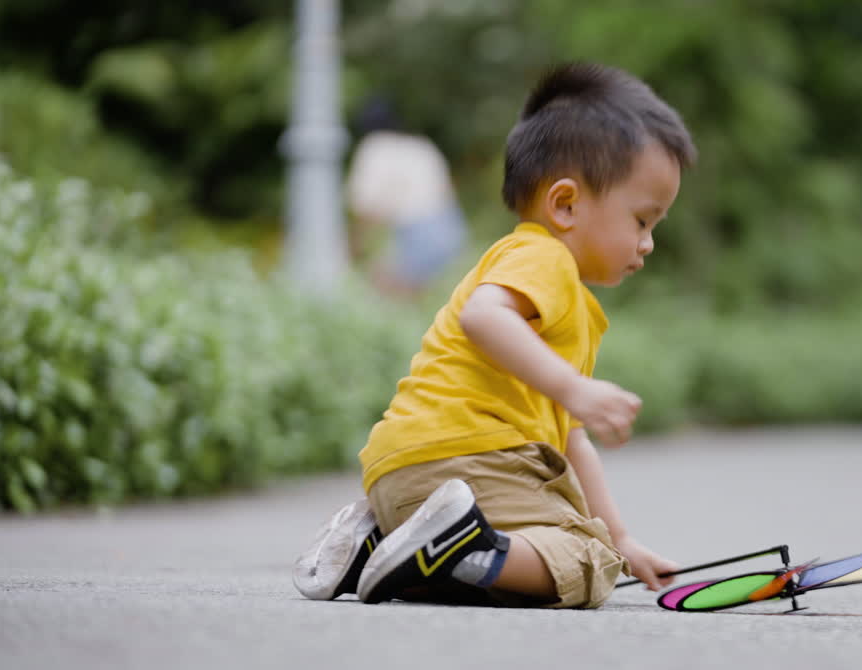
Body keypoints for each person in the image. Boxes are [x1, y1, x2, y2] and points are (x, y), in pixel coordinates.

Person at [293, 62, 697, 608]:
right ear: (565, 204)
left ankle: (381, 545)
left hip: (403, 470)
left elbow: (570, 440)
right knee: (588, 561)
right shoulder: (542, 257)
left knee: (591, 542)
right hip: (469, 461)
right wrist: (576, 391)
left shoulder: (552, 290)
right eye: (643, 221)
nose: (647, 243)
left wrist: (622, 536)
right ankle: (453, 544)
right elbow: (482, 317)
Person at [346, 98, 467, 298]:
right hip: (452, 230)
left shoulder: (374, 148)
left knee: (382, 282)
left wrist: (353, 248)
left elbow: (367, 210)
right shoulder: (420, 146)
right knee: (415, 295)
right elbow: (447, 190)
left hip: (418, 231)